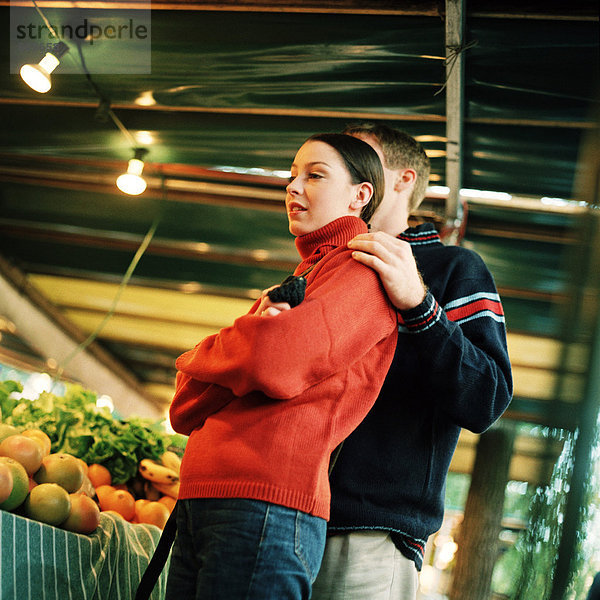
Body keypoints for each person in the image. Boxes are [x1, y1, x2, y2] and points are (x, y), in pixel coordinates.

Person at [165, 133, 399, 600]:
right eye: (292, 176)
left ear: (361, 194)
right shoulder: (298, 279)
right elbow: (184, 406)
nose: (293, 186)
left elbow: (273, 361)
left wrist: (209, 354)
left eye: (314, 175)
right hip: (205, 494)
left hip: (265, 503)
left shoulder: (364, 270)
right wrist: (245, 345)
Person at [307, 124, 514, 599]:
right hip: (281, 515)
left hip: (368, 533)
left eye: (361, 157)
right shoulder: (322, 271)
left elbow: (487, 399)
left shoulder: (455, 270)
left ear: (402, 180)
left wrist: (421, 307)